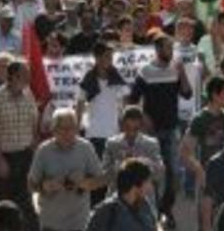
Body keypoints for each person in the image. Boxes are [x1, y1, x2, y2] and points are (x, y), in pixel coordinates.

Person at [128, 33, 192, 227]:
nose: (170, 51)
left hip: (171, 129)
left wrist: (181, 72)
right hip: (151, 132)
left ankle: (166, 209)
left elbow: (187, 94)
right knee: (153, 173)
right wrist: (144, 117)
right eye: (166, 48)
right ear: (157, 50)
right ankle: (154, 212)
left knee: (174, 173)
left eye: (171, 48)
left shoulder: (175, 69)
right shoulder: (145, 71)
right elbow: (132, 99)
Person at [0, 59, 39, 230]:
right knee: (4, 206)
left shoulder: (29, 94)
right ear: (13, 76)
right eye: (25, 74)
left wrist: (34, 150)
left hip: (25, 156)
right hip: (4, 157)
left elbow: (34, 122)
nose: (29, 78)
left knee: (26, 202)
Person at [28, 108, 104, 231]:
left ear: (77, 129)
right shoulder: (44, 150)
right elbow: (31, 184)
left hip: (78, 222)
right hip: (51, 222)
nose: (67, 133)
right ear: (54, 130)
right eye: (63, 128)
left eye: (71, 128)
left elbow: (100, 180)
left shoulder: (85, 148)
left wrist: (83, 183)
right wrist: (44, 186)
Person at [77, 41, 129, 204]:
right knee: (95, 176)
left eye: (111, 57)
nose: (110, 60)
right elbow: (79, 104)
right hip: (94, 134)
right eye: (107, 56)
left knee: (114, 175)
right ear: (97, 58)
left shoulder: (117, 78)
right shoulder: (88, 79)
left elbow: (125, 104)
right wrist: (77, 129)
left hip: (114, 134)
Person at [181, 76, 224, 196]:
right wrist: (199, 170)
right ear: (214, 95)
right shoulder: (200, 119)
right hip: (208, 177)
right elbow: (185, 151)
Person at [102, 106, 163, 203]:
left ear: (141, 127)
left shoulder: (151, 144)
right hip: (117, 200)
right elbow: (104, 174)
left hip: (144, 201)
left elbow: (159, 173)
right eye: (127, 128)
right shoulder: (112, 144)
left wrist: (141, 162)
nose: (131, 133)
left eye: (135, 129)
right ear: (122, 126)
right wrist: (122, 164)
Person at [86, 158, 158, 231]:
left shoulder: (145, 207)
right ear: (136, 185)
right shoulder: (107, 213)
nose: (150, 188)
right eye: (147, 182)